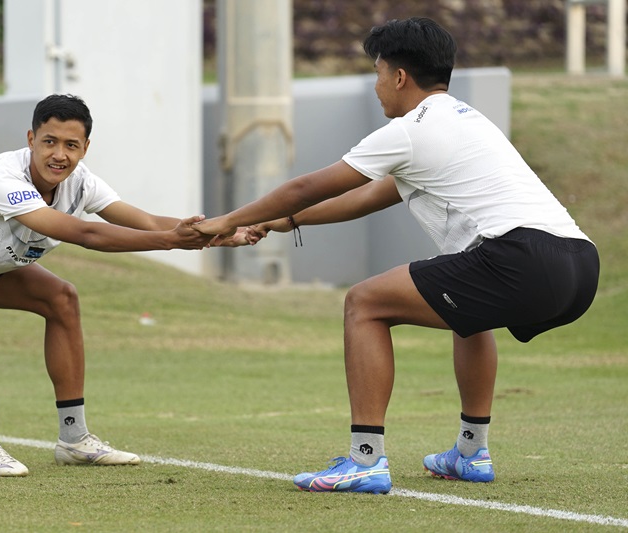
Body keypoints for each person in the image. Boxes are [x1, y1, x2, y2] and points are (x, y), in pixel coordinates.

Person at [195, 17, 599, 494]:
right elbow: (369, 196)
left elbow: (306, 186)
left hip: (523, 258)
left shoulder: (410, 130)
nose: (377, 85)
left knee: (365, 303)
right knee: (468, 317)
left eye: (379, 72)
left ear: (401, 77)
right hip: (579, 266)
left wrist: (225, 220)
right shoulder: (464, 118)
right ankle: (471, 453)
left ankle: (365, 459)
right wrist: (278, 221)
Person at [0, 94, 253, 477]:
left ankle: (74, 439)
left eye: (71, 145)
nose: (59, 154)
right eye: (49, 141)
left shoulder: (81, 183)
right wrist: (172, 241)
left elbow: (150, 222)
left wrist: (222, 231)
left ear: (85, 148)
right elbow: (87, 235)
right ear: (31, 139)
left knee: (61, 297)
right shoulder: (1, 179)